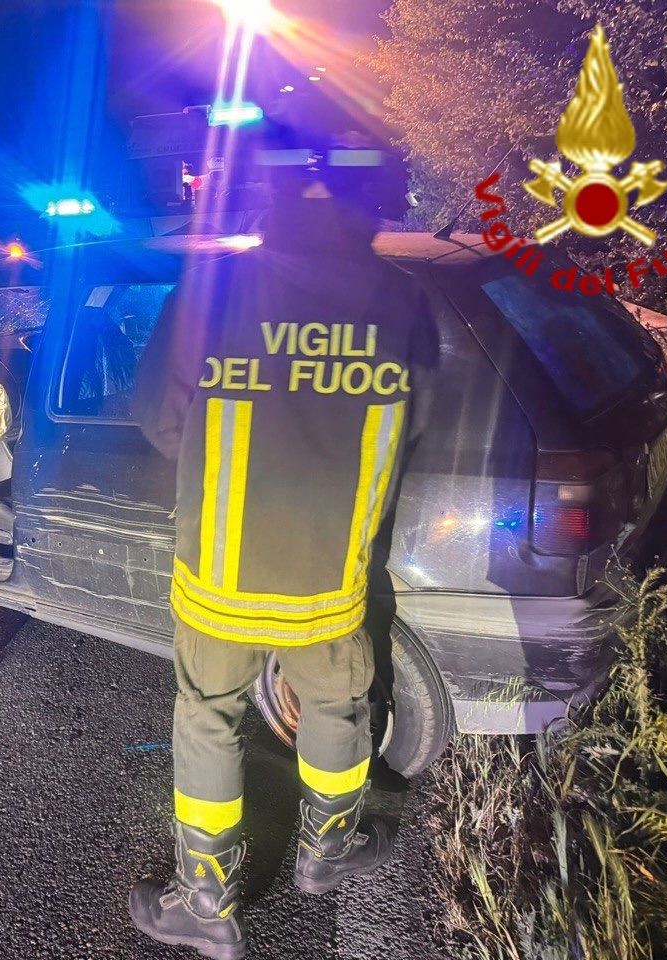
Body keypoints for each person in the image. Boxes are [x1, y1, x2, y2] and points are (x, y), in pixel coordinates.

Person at [127, 139, 436, 959]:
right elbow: (416, 429)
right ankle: (325, 856)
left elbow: (158, 419)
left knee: (207, 719)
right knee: (337, 708)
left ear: (267, 196)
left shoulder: (214, 288)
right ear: (374, 204)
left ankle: (207, 906)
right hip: (330, 574)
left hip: (220, 572)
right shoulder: (403, 302)